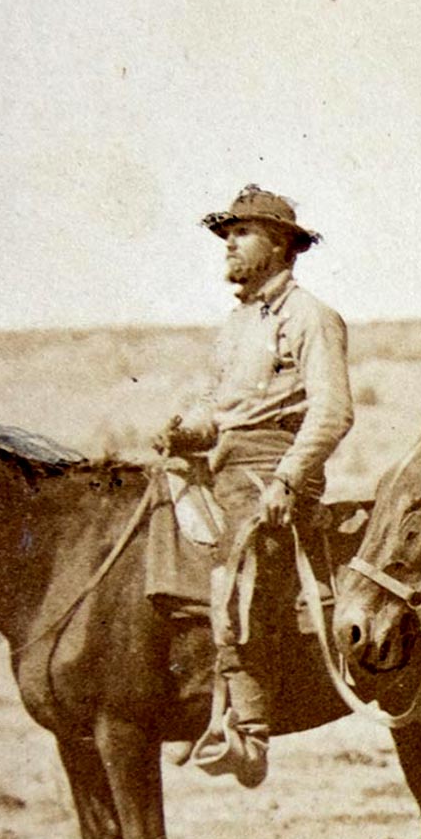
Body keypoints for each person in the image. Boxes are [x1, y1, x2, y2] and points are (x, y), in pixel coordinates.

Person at [156, 185, 354, 787]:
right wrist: (184, 429)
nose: (229, 245)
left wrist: (289, 478)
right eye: (228, 234)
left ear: (279, 245)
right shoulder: (238, 323)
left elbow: (333, 411)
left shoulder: (311, 317)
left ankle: (249, 724)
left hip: (274, 465)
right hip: (226, 459)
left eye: (242, 233)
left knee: (237, 561)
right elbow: (218, 407)